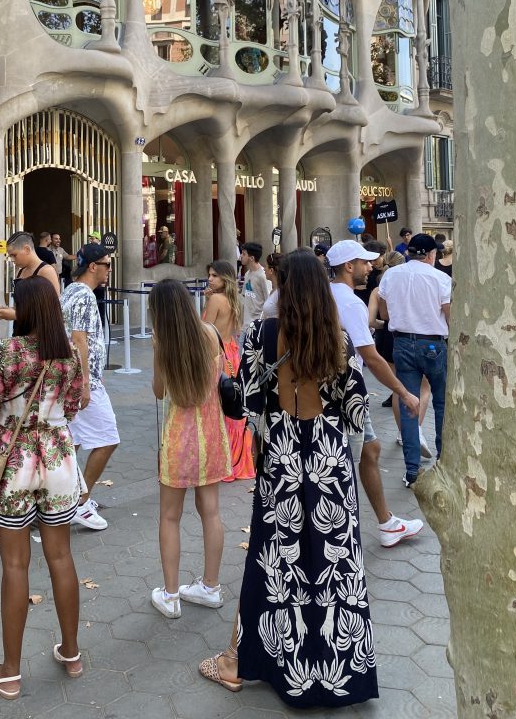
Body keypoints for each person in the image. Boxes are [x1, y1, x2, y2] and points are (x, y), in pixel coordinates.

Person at [199, 250, 378, 706]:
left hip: (281, 454)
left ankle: (249, 662)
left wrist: (227, 386)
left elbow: (242, 402)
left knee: (275, 559)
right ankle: (338, 675)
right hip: (328, 457)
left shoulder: (263, 333)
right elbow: (356, 410)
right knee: (334, 564)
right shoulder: (335, 339)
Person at [0, 278, 85, 700]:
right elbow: (73, 407)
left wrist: (6, 408)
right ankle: (71, 653)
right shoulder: (68, 354)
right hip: (58, 459)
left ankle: (11, 671)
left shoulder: (5, 352)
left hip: (15, 463)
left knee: (15, 566)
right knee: (61, 555)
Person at [326, 240, 424, 547]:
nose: (371, 266)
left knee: (370, 451)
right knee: (352, 457)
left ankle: (386, 523)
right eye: (365, 262)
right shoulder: (350, 303)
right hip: (348, 393)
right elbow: (371, 357)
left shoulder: (325, 295)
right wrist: (404, 393)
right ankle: (349, 529)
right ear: (348, 266)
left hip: (329, 389)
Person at [150, 279, 231, 617]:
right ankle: (211, 586)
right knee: (210, 511)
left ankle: (170, 595)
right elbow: (222, 376)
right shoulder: (211, 334)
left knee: (170, 515)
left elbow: (159, 391)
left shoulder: (164, 343)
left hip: (179, 436)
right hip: (211, 431)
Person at [378, 233, 451, 487]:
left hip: (402, 342)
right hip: (433, 342)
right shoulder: (441, 278)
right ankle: (443, 462)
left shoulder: (391, 275)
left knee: (409, 403)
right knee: (441, 403)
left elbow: (385, 313)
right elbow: (449, 315)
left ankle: (412, 471)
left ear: (409, 252)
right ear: (431, 255)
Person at [60, 243, 120, 531]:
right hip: (83, 383)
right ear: (93, 266)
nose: (109, 269)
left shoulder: (71, 291)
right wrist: (85, 382)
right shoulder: (82, 295)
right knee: (108, 438)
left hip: (77, 379)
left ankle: (61, 499)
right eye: (107, 264)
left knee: (71, 442)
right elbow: (79, 339)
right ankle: (80, 502)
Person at [203, 260, 254, 481]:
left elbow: (203, 329)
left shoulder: (215, 299)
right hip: (233, 353)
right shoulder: (234, 299)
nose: (210, 279)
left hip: (217, 355)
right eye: (210, 275)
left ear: (225, 278)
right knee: (232, 407)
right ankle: (238, 459)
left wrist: (206, 305)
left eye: (215, 275)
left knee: (216, 407)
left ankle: (223, 461)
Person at [0, 232, 60, 326]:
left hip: (39, 333)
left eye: (14, 255)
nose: (12, 259)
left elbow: (53, 308)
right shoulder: (20, 271)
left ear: (27, 249)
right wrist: (5, 310)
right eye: (10, 256)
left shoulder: (47, 271)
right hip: (21, 330)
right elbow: (21, 307)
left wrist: (15, 315)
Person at [239, 242, 267, 329]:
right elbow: (244, 296)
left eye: (244, 254)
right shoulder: (247, 274)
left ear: (251, 258)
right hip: (245, 325)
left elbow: (268, 299)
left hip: (258, 325)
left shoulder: (263, 276)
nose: (240, 256)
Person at [261, 252, 281, 319]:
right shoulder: (274, 290)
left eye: (266, 266)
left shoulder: (280, 293)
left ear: (271, 270)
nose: (264, 269)